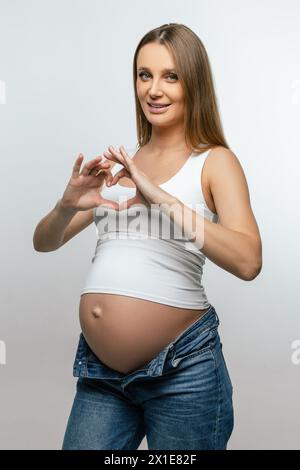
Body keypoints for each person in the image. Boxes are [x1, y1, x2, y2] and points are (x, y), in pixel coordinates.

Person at [33, 23, 262, 450]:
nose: (154, 90)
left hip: (183, 371)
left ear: (193, 81)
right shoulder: (126, 163)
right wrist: (67, 205)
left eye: (170, 76)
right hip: (103, 376)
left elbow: (249, 261)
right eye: (144, 75)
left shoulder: (215, 162)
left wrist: (159, 196)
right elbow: (43, 242)